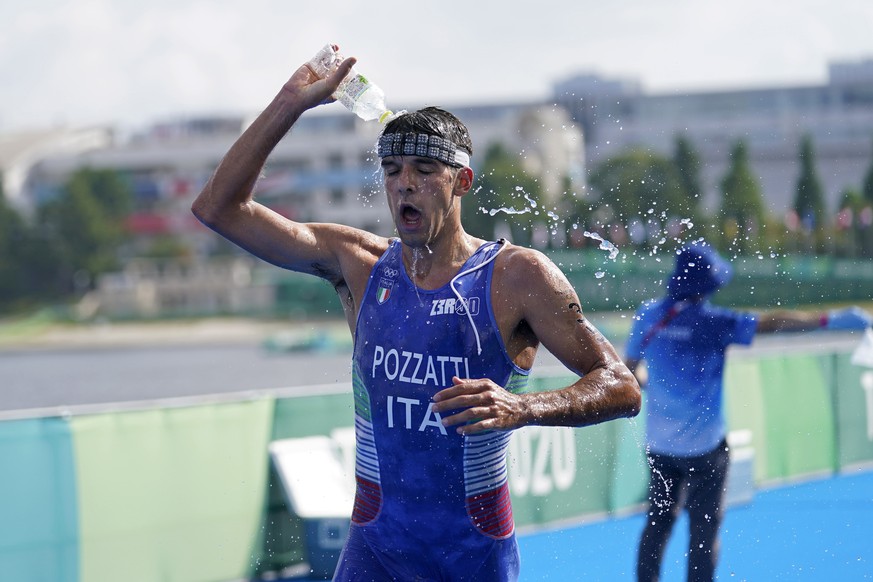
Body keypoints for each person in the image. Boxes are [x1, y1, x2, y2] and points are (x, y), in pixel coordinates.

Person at [191, 47, 641, 581]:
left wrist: (525, 407)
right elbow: (218, 209)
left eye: (425, 170)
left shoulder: (517, 278)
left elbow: (622, 387)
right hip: (374, 551)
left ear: (462, 182)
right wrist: (291, 102)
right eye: (392, 170)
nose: (404, 183)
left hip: (472, 555)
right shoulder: (357, 264)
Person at [624, 242, 872, 582]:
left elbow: (629, 371)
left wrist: (655, 383)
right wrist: (827, 320)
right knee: (703, 536)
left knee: (657, 526)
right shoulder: (713, 321)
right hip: (706, 451)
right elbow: (772, 324)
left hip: (660, 448)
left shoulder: (648, 316)